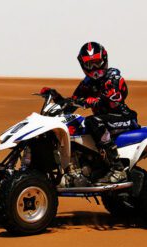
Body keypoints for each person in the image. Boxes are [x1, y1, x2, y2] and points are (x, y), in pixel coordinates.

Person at [57, 42, 139, 184]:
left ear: (104, 60)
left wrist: (92, 101)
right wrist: (57, 101)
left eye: (97, 63)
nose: (94, 68)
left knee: (93, 121)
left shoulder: (113, 77)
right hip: (104, 120)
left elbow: (114, 100)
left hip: (124, 118)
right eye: (90, 64)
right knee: (74, 124)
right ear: (83, 65)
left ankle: (117, 169)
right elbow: (73, 102)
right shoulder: (87, 83)